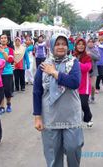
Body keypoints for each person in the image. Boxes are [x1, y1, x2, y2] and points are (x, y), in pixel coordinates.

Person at [33, 33, 84, 167]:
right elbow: (37, 92)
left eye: (64, 44)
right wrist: (37, 116)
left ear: (68, 46)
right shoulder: (43, 66)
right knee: (53, 155)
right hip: (50, 117)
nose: (61, 47)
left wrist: (54, 73)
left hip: (71, 116)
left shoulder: (74, 63)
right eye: (57, 44)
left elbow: (74, 82)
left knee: (73, 148)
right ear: (52, 46)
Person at [74, 38, 93, 127]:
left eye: (82, 44)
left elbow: (86, 68)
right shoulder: (73, 56)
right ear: (76, 46)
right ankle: (76, 120)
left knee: (83, 103)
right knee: (74, 104)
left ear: (85, 46)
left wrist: (76, 63)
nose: (80, 46)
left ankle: (88, 117)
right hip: (74, 84)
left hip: (84, 85)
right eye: (79, 44)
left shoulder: (87, 57)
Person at [0, 34, 14, 114]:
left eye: (5, 38)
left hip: (7, 72)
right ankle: (2, 107)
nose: (3, 39)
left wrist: (3, 52)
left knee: (7, 90)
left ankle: (9, 104)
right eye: (2, 38)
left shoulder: (10, 49)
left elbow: (10, 60)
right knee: (0, 91)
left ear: (7, 40)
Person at [86, 38, 100, 103]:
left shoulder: (95, 49)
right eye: (89, 42)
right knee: (87, 85)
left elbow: (98, 58)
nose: (90, 43)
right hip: (86, 70)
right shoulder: (84, 49)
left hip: (94, 70)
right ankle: (87, 97)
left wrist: (90, 54)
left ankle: (92, 97)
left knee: (92, 86)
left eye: (92, 42)